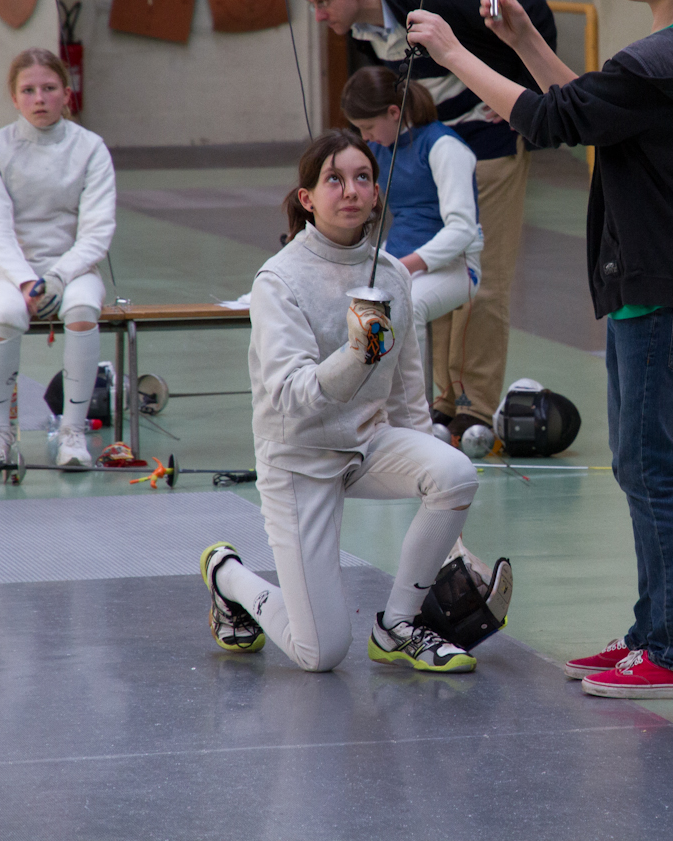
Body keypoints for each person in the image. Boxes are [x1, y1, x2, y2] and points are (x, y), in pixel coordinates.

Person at [407, 0, 673, 698]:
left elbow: (550, 120)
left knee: (655, 469)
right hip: (658, 281)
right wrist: (521, 37)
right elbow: (588, 113)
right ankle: (652, 633)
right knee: (639, 465)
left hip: (663, 285)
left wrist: (453, 53)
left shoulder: (658, 62)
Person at [199, 131, 482, 674]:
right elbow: (290, 395)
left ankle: (398, 625)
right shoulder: (279, 279)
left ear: (376, 194)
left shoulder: (392, 275)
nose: (350, 191)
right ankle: (228, 576)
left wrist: (449, 529)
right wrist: (356, 354)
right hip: (299, 458)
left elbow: (408, 396)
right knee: (320, 653)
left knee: (455, 473)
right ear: (307, 198)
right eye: (334, 179)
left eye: (362, 178)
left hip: (368, 443)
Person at [296, 0, 556, 441]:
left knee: (483, 284)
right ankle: (442, 403)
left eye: (323, 1)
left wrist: (525, 96)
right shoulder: (363, 34)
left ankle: (475, 406)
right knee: (429, 288)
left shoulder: (431, 0)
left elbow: (533, 10)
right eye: (313, 5)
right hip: (433, 146)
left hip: (485, 146)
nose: (319, 15)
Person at [0, 49, 115, 468]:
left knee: (83, 310)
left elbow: (97, 231)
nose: (39, 98)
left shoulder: (90, 148)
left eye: (49, 88)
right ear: (14, 99)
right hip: (12, 270)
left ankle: (72, 431)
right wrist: (26, 280)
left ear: (66, 94)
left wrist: (56, 277)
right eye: (28, 90)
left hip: (74, 269)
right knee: (3, 316)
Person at [340, 66, 483, 389]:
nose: (365, 137)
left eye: (368, 127)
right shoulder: (379, 149)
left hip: (455, 266)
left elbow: (463, 229)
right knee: (354, 307)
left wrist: (403, 267)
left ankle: (414, 407)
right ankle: (372, 395)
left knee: (407, 306)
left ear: (394, 112)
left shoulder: (444, 146)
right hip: (400, 259)